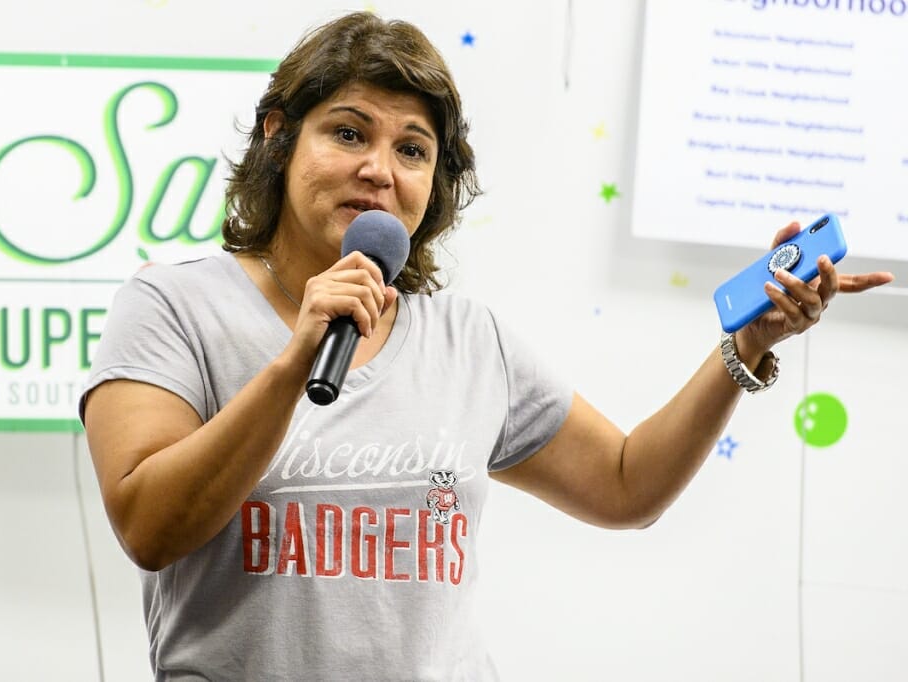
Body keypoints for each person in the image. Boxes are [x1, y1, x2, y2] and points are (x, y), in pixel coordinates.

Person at [78, 11, 894, 681]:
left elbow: (624, 485)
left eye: (412, 150)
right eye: (349, 132)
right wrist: (295, 363)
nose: (379, 171)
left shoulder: (469, 341)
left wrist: (746, 344)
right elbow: (150, 527)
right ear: (278, 136)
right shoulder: (174, 306)